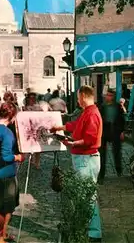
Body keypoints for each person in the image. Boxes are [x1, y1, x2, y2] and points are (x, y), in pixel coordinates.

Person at [51, 85, 103, 242]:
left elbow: (90, 140)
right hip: (84, 158)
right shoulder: (87, 112)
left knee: (87, 196)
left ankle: (94, 233)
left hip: (86, 159)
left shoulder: (92, 113)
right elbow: (76, 125)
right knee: (85, 195)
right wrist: (60, 127)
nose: (78, 101)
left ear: (85, 96)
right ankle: (90, 230)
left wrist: (73, 143)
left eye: (79, 98)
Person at [0, 102, 25, 243]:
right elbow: (6, 156)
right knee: (2, 208)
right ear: (12, 115)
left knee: (6, 205)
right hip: (4, 175)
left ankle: (3, 234)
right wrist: (18, 157)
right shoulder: (7, 133)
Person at [98, 90, 125, 182]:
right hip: (105, 131)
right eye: (108, 95)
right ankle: (101, 174)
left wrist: (122, 131)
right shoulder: (102, 107)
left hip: (115, 130)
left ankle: (119, 171)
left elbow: (122, 119)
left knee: (117, 152)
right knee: (102, 154)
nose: (109, 97)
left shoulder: (117, 106)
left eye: (111, 95)